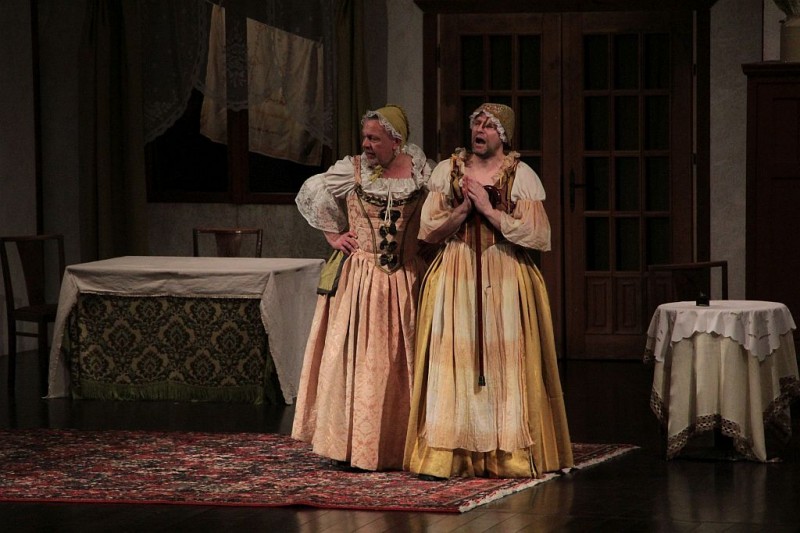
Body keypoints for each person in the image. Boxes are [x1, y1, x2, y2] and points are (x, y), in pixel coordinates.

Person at [404, 103, 573, 479]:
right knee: (454, 357)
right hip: (457, 271)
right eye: (476, 124)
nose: (479, 130)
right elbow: (428, 229)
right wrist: (463, 210)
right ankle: (450, 454)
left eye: (489, 126)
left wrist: (490, 210)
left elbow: (539, 235)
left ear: (504, 135)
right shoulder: (448, 171)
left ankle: (505, 453)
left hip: (504, 272)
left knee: (503, 358)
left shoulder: (520, 175)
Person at [291, 104, 431, 471]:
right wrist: (334, 235)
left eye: (374, 138)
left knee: (403, 361)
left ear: (396, 141)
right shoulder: (351, 171)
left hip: (407, 278)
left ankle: (402, 446)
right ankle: (354, 446)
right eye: (364, 137)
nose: (366, 144)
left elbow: (438, 211)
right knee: (360, 360)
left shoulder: (421, 172)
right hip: (363, 278)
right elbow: (314, 190)